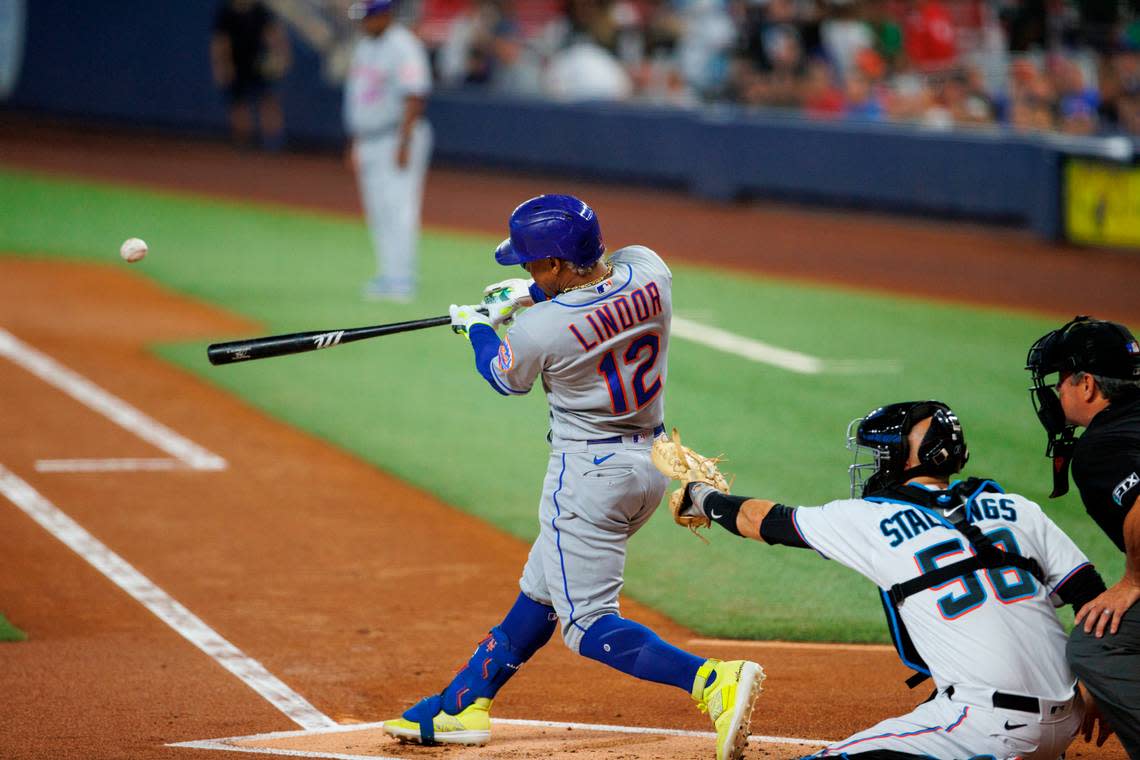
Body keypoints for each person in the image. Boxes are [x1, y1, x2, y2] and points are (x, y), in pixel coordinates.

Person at [380, 194, 764, 760]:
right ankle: (464, 701)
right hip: (652, 467)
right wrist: (529, 295)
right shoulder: (651, 271)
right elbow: (603, 282)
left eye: (534, 265)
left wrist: (481, 327)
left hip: (588, 480)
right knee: (542, 587)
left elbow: (503, 376)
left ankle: (711, 679)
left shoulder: (540, 330)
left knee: (587, 625)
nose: (527, 273)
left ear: (557, 264)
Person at [658, 400, 1107, 759]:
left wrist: (701, 496)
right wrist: (1099, 687)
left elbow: (766, 521)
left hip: (985, 728)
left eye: (882, 453)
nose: (876, 464)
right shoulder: (1017, 508)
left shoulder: (871, 519)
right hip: (1070, 716)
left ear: (902, 459)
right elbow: (1093, 598)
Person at [1027, 315, 1140, 758]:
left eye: (1061, 380)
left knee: (1100, 643)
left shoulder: (1104, 444)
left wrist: (1133, 579)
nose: (1056, 391)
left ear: (1088, 384)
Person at [343, 0, 433, 302]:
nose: (364, 23)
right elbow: (359, 100)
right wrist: (356, 142)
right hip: (369, 139)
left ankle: (402, 278)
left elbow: (415, 96)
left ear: (385, 14)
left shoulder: (403, 46)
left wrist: (404, 143)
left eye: (369, 17)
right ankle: (388, 274)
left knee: (399, 209)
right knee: (379, 211)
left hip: (397, 137)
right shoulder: (365, 46)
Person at [210, 0, 291, 150]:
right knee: (238, 104)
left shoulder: (260, 10)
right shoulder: (226, 12)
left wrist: (281, 55)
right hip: (236, 63)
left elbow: (273, 33)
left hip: (258, 62)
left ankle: (273, 143)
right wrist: (222, 65)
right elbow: (220, 42)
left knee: (268, 101)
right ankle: (243, 143)